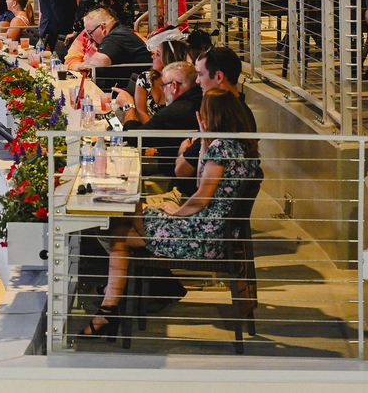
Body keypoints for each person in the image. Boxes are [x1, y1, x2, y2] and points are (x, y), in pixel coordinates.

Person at [81, 88, 260, 338]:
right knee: (120, 229)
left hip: (200, 237)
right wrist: (204, 142)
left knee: (125, 210)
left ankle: (112, 308)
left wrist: (177, 213)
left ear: (211, 115)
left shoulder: (221, 147)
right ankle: (108, 310)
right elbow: (201, 185)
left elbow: (201, 197)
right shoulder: (238, 147)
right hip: (213, 233)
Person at [112, 32, 190, 125]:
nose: (152, 56)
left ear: (168, 58)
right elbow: (141, 112)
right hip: (147, 128)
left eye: (157, 54)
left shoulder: (182, 84)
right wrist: (151, 130)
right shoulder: (145, 78)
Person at [72, 8, 153, 69]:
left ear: (102, 28)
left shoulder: (117, 36)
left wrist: (81, 66)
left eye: (91, 33)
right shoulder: (118, 32)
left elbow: (101, 60)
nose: (90, 37)